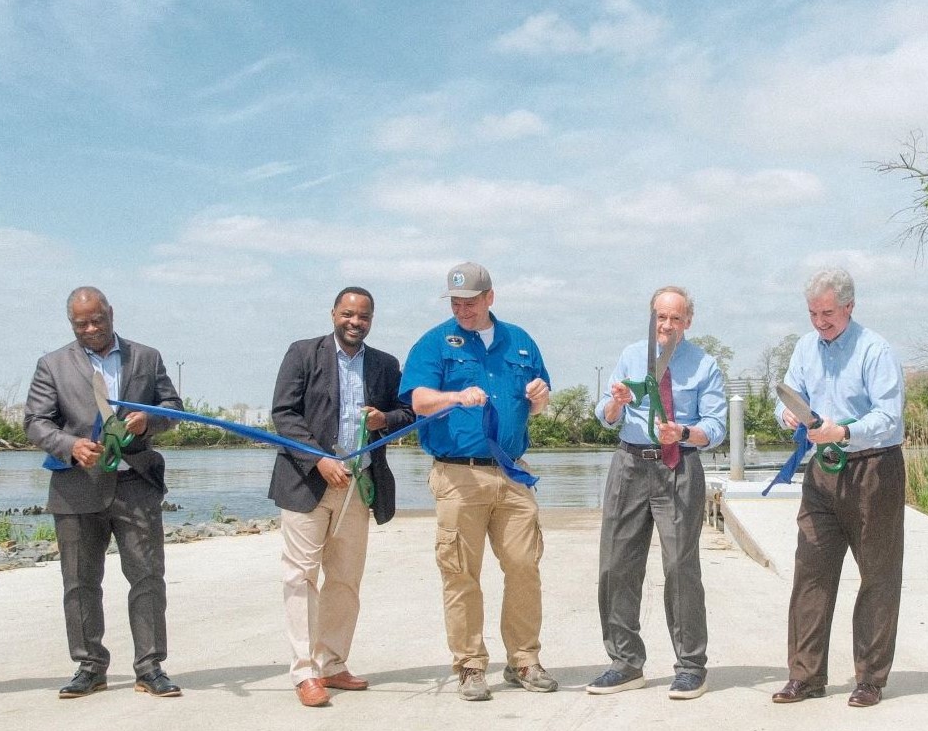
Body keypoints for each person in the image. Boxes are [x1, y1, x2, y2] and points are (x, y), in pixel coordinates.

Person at [400, 262, 557, 701]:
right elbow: (418, 400)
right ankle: (470, 665)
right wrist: (454, 395)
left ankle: (524, 660)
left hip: (511, 473)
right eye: (455, 302)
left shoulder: (520, 342)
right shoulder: (434, 344)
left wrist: (541, 399)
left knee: (525, 566)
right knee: (461, 573)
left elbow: (537, 404)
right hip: (458, 475)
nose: (462, 309)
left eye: (470, 301)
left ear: (490, 297)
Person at [25, 287, 185, 699]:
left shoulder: (146, 357)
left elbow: (173, 407)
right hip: (77, 487)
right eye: (82, 324)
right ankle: (89, 665)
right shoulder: (52, 365)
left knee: (147, 577)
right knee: (79, 581)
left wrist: (149, 419)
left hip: (136, 484)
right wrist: (70, 446)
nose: (92, 329)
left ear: (111, 313)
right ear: (71, 323)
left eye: (98, 320)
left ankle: (150, 667)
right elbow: (36, 423)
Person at [269, 286, 414, 707]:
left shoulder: (385, 365)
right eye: (348, 314)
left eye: (364, 316)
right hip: (307, 482)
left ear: (371, 320)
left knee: (346, 580)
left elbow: (407, 413)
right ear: (333, 313)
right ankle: (304, 672)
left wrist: (385, 417)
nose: (355, 322)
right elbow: (284, 414)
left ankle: (332, 664)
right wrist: (318, 459)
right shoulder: (302, 353)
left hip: (358, 486)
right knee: (300, 575)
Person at [771, 267, 906, 709]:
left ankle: (870, 678)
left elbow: (889, 418)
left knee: (877, 576)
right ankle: (805, 675)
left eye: (828, 312)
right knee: (810, 570)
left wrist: (843, 433)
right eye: (813, 313)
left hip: (872, 468)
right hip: (820, 471)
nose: (820, 321)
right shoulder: (805, 347)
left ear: (849, 306)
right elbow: (787, 396)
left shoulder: (875, 350)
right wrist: (786, 415)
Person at [589, 286, 728, 700]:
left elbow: (716, 427)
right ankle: (625, 662)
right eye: (660, 317)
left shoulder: (704, 364)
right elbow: (606, 416)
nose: (666, 325)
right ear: (651, 317)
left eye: (675, 318)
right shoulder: (632, 355)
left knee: (680, 568)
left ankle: (690, 667)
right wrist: (615, 404)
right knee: (615, 564)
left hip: (678, 464)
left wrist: (683, 432)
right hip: (630, 462)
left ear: (688, 321)